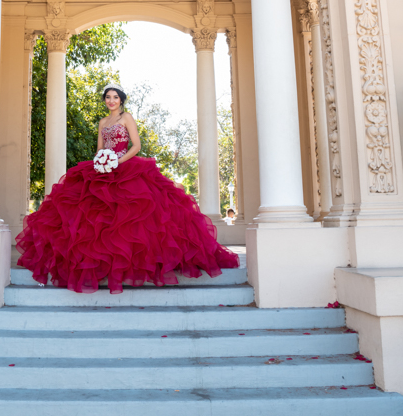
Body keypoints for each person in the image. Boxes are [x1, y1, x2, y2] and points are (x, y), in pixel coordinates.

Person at [15, 82, 239, 293]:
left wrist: (117, 161)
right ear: (104, 100)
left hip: (125, 166)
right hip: (103, 170)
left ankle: (136, 262)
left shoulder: (127, 117)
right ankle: (103, 263)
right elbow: (99, 149)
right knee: (93, 216)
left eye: (115, 97)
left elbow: (137, 145)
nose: (111, 100)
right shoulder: (103, 123)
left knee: (135, 216)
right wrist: (101, 162)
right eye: (107, 97)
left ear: (121, 100)